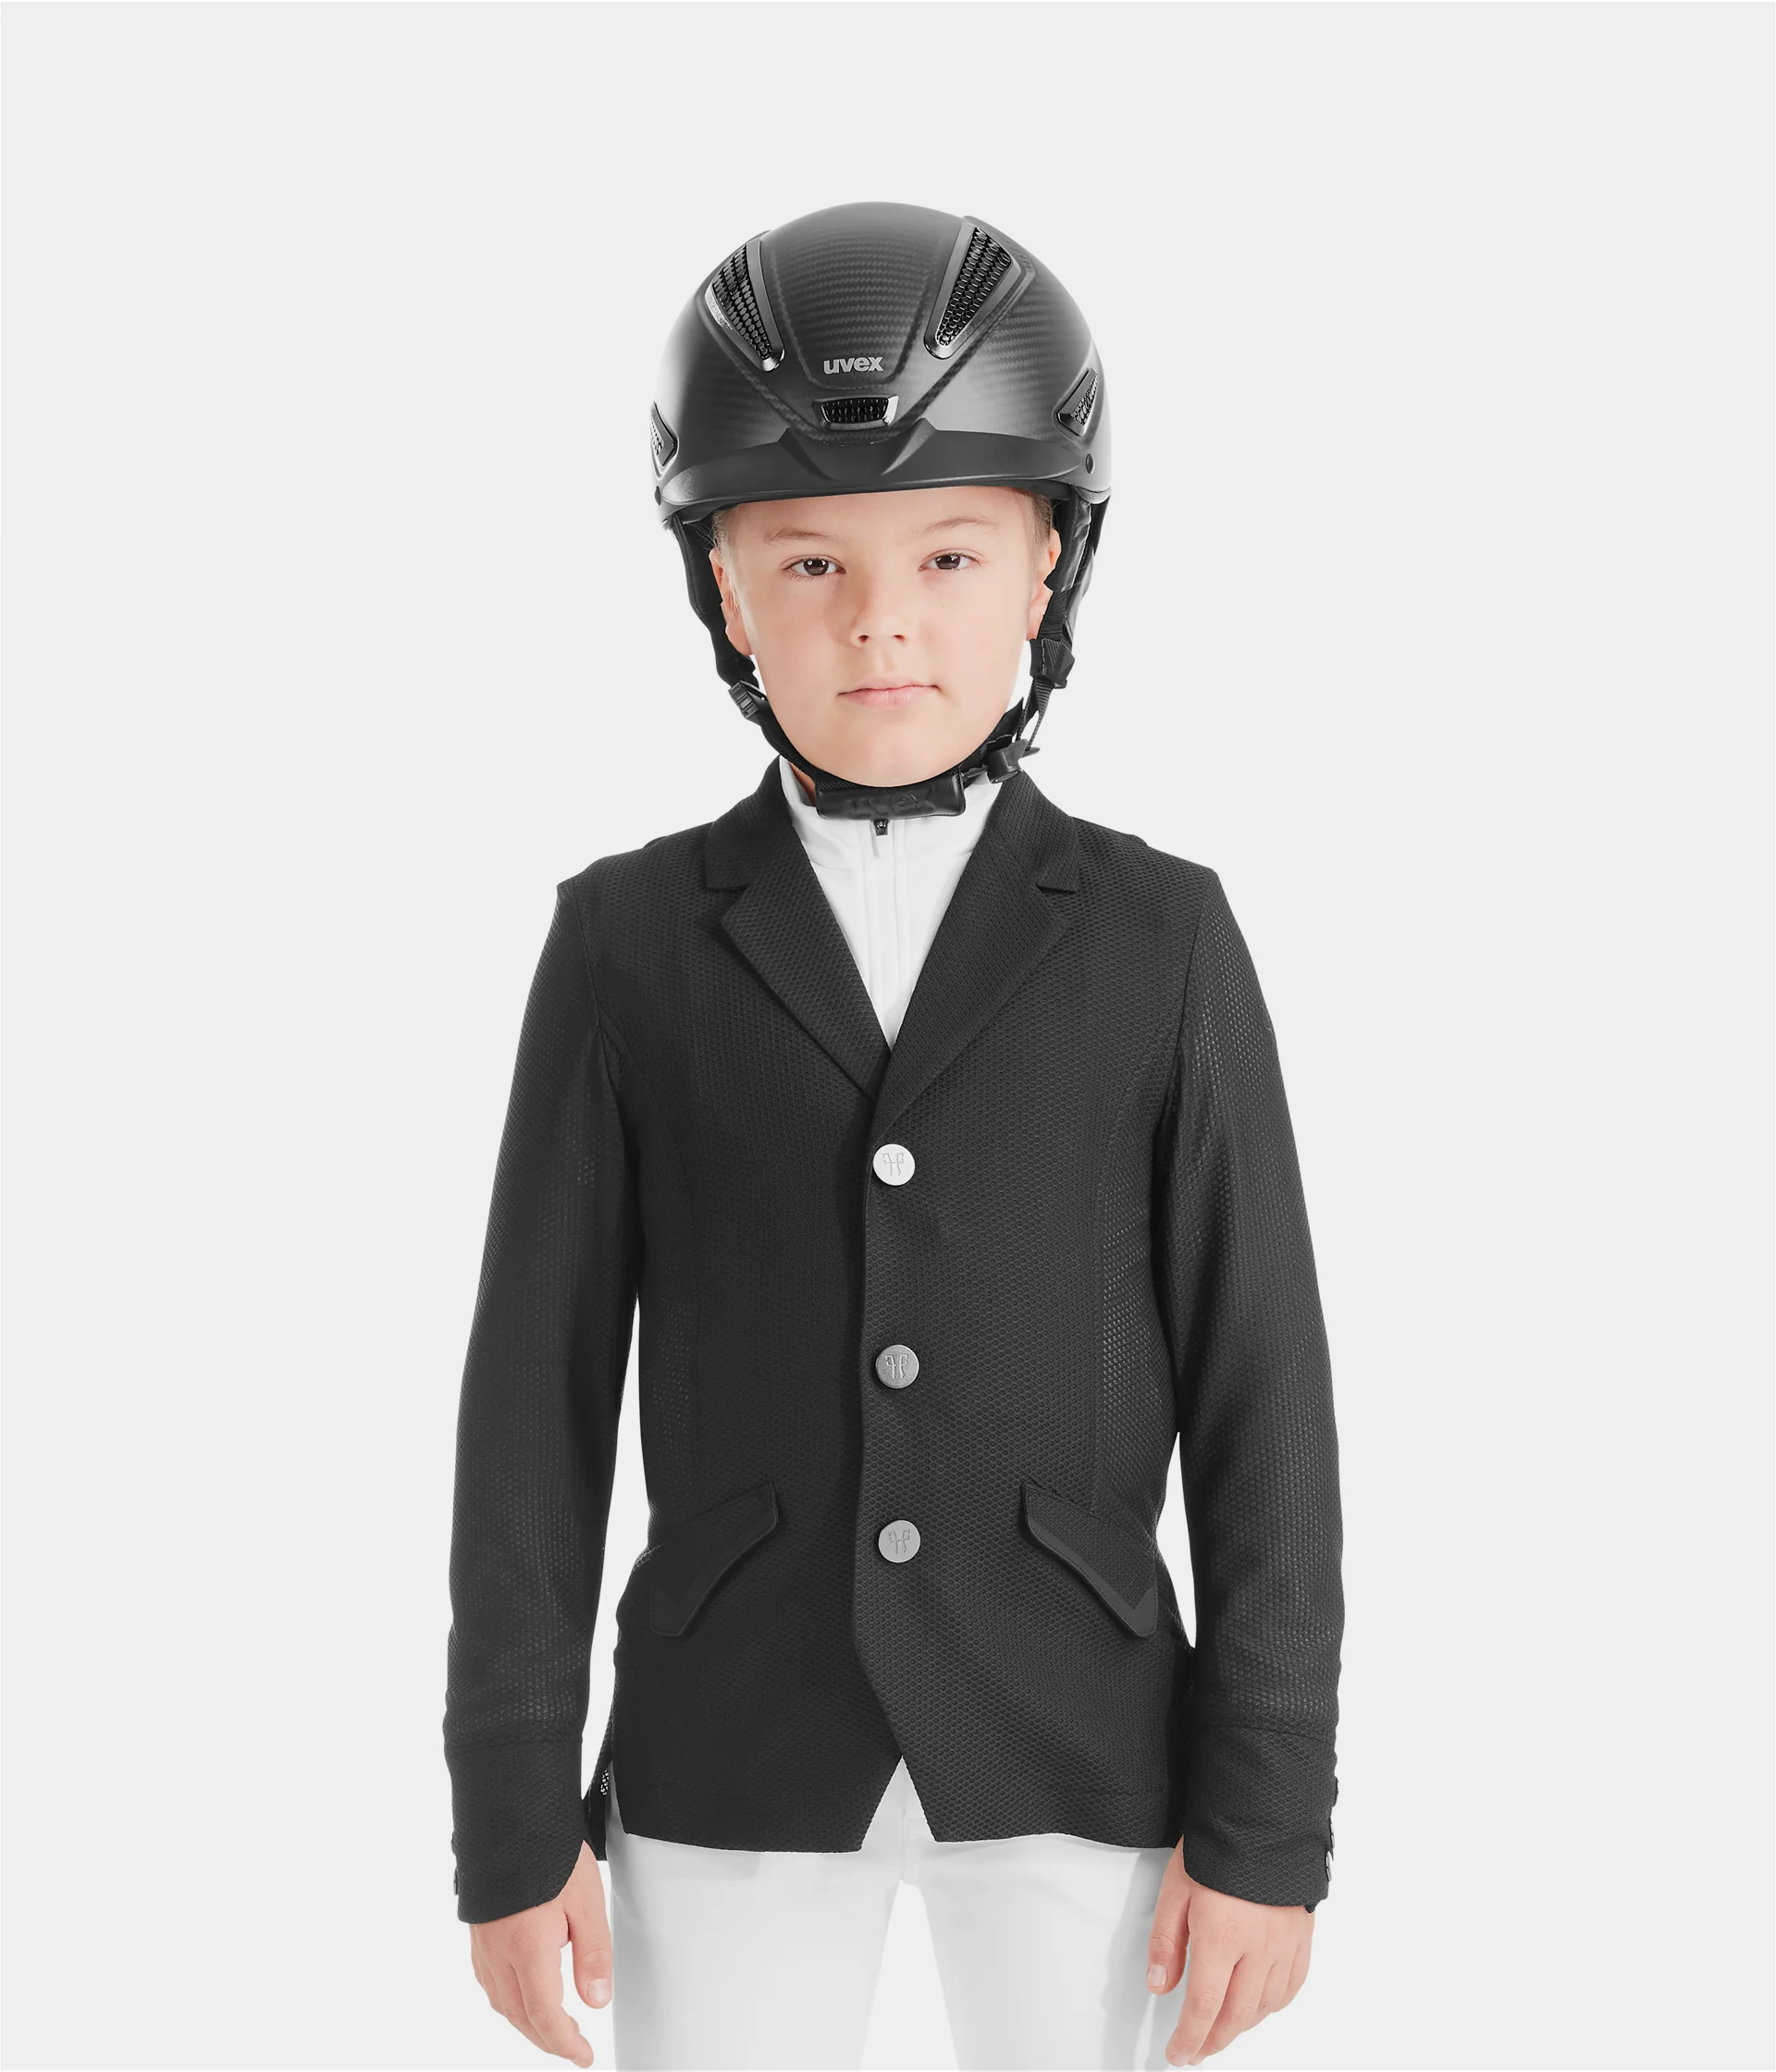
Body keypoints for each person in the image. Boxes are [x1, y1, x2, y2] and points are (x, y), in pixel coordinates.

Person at [442, 201, 1343, 2072]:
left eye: (946, 554)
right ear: (723, 590)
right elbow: (531, 1403)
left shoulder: (1165, 936)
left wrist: (1270, 1815)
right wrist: (510, 1817)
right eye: (808, 562)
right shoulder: (622, 943)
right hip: (731, 1742)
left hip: (1082, 1740)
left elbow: (1266, 1395)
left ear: (1046, 566)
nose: (881, 621)